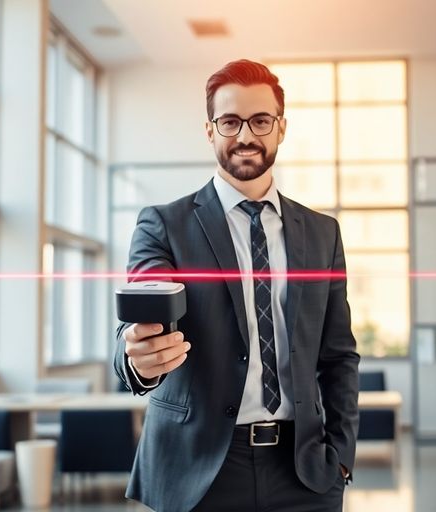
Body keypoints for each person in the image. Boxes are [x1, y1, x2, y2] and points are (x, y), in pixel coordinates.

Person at [114, 59, 360, 512]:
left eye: (261, 120)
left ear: (281, 128)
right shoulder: (163, 226)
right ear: (210, 130)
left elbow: (338, 354)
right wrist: (141, 356)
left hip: (305, 474)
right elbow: (139, 322)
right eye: (230, 121)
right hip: (199, 473)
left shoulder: (323, 233)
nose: (246, 135)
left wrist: (340, 459)